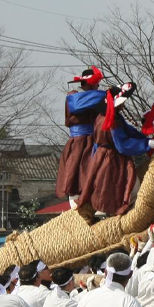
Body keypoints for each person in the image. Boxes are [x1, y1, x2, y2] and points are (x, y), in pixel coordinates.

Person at [78, 83, 154, 217]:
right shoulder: (110, 120)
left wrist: (143, 137)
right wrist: (146, 144)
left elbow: (128, 131)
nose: (123, 106)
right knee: (127, 186)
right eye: (122, 103)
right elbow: (123, 144)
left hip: (101, 157)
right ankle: (114, 215)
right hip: (112, 159)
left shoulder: (111, 117)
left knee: (106, 185)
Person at [56, 66, 106, 210]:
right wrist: (104, 95)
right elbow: (77, 105)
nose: (98, 86)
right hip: (79, 142)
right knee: (76, 173)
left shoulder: (96, 99)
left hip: (94, 141)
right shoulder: (74, 96)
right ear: (90, 83)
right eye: (96, 83)